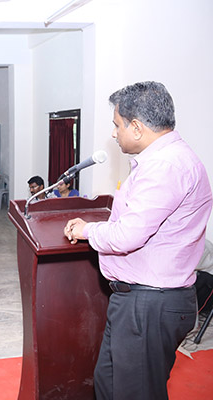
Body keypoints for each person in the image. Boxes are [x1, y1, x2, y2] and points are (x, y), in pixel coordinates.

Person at [63, 82, 212, 400]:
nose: (114, 134)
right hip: (142, 300)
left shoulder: (164, 167)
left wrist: (88, 231)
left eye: (117, 125)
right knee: (110, 382)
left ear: (136, 126)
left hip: (151, 303)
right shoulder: (167, 160)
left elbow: (129, 236)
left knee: (134, 393)